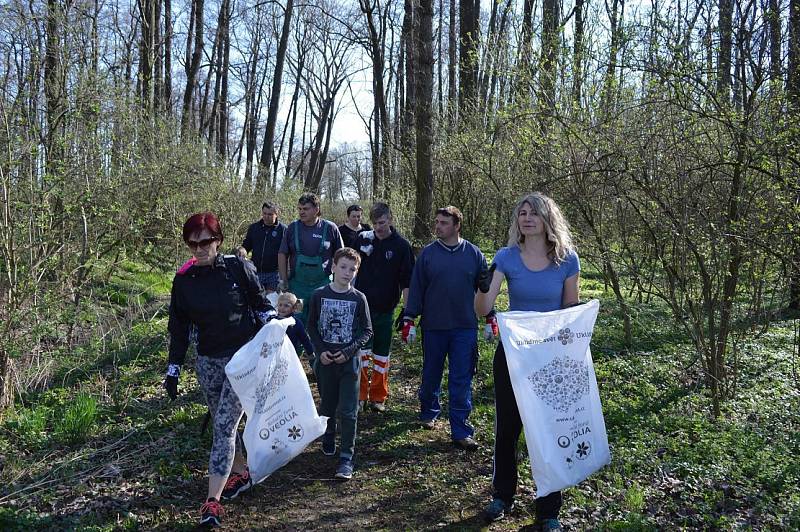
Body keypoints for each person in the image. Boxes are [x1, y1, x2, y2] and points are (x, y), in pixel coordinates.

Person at [474, 192, 580, 530]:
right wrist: (480, 288)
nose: (527, 218)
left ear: (548, 219)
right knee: (508, 428)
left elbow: (569, 311)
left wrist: (569, 352)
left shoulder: (567, 260)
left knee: (546, 433)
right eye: (522, 213)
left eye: (534, 212)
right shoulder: (506, 257)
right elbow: (483, 309)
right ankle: (502, 496)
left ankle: (549, 510)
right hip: (513, 355)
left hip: (550, 359)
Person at [164, 212, 276, 528]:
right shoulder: (184, 281)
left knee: (224, 427)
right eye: (192, 243)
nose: (199, 249)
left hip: (243, 361)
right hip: (209, 362)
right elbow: (179, 328)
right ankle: (241, 472)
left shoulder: (238, 268)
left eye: (206, 242)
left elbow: (261, 305)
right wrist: (173, 369)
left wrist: (273, 326)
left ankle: (211, 503)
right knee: (222, 422)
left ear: (218, 240)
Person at [399, 206, 488, 451]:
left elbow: (485, 287)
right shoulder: (428, 254)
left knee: (461, 378)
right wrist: (409, 317)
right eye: (437, 221)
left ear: (457, 226)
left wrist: (490, 315)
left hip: (464, 327)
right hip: (434, 326)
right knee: (431, 374)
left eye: (444, 223)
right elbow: (416, 288)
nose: (438, 226)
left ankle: (461, 430)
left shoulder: (474, 254)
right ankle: (429, 410)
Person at [307, 248, 373, 480]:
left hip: (349, 363)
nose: (347, 273)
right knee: (327, 404)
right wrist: (321, 351)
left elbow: (367, 331)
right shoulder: (318, 295)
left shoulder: (358, 298)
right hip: (325, 361)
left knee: (348, 410)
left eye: (352, 269)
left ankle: (346, 457)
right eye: (343, 267)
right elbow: (311, 326)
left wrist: (348, 351)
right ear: (333, 267)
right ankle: (328, 434)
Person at [353, 202, 414, 412]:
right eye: (374, 223)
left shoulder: (401, 246)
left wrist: (407, 311)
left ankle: (378, 396)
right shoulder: (362, 239)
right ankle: (359, 394)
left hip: (385, 309)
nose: (378, 227)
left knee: (380, 355)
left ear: (390, 220)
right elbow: (349, 268)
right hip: (361, 309)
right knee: (361, 353)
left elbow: (407, 281)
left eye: (382, 222)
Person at [278, 193, 344, 324]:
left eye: (306, 209)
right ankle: (297, 345)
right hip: (298, 287)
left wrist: (339, 281)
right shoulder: (292, 228)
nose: (302, 212)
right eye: (300, 209)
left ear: (316, 209)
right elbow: (282, 254)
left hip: (322, 286)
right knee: (297, 320)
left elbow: (341, 256)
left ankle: (316, 345)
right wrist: (284, 279)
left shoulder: (330, 228)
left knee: (321, 320)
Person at [240, 201, 286, 292]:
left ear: (276, 214)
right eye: (264, 213)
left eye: (270, 214)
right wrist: (241, 250)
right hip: (256, 272)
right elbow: (246, 245)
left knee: (270, 301)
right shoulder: (254, 228)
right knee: (256, 300)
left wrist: (284, 276)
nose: (266, 216)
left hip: (274, 273)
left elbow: (287, 253)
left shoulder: (283, 230)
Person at [276, 292, 314, 358]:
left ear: (294, 308)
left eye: (286, 306)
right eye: (280, 305)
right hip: (275, 352)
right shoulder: (274, 321)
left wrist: (310, 351)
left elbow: (304, 338)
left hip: (291, 354)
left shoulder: (296, 323)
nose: (282, 308)